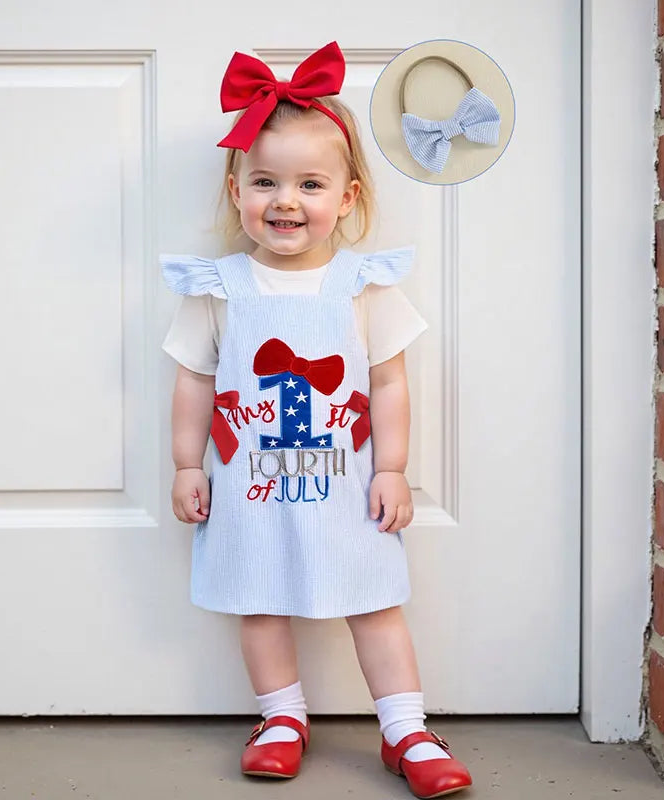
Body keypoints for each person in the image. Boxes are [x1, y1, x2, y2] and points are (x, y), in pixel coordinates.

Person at [160, 41, 473, 799]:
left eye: (309, 184)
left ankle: (406, 728)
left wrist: (394, 467)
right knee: (260, 601)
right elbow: (194, 382)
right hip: (252, 488)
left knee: (373, 602)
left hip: (348, 486)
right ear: (237, 192)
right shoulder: (219, 288)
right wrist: (186, 463)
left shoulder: (363, 285)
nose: (286, 201)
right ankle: (280, 717)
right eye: (265, 182)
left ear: (349, 196)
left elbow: (390, 383)